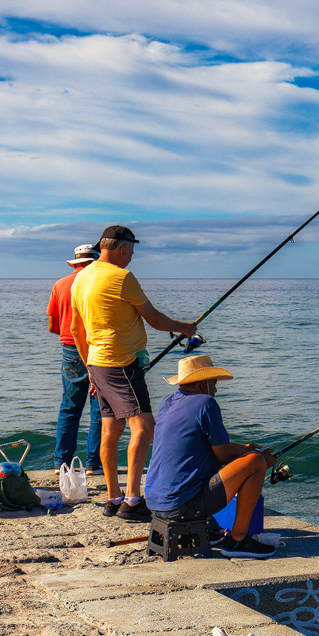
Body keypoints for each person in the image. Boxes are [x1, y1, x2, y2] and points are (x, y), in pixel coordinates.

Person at [67, 224, 196, 522]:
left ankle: (113, 497)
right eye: (132, 252)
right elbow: (154, 318)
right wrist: (185, 327)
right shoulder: (122, 277)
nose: (131, 257)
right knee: (145, 426)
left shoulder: (81, 278)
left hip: (98, 363)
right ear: (123, 249)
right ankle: (132, 500)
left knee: (111, 429)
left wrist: (90, 371)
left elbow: (76, 329)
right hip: (122, 363)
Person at [145, 354, 278, 559]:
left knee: (245, 458)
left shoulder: (168, 402)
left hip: (156, 504)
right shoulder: (206, 402)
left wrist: (242, 447)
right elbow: (223, 454)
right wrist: (259, 456)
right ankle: (238, 540)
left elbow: (204, 442)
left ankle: (211, 528)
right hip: (181, 505)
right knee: (256, 463)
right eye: (214, 384)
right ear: (202, 384)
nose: (215, 390)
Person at [47, 243, 103, 476]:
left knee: (69, 408)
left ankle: (62, 463)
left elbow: (53, 325)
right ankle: (93, 463)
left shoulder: (60, 284)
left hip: (70, 350)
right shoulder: (97, 283)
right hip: (97, 350)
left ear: (75, 263)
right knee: (99, 409)